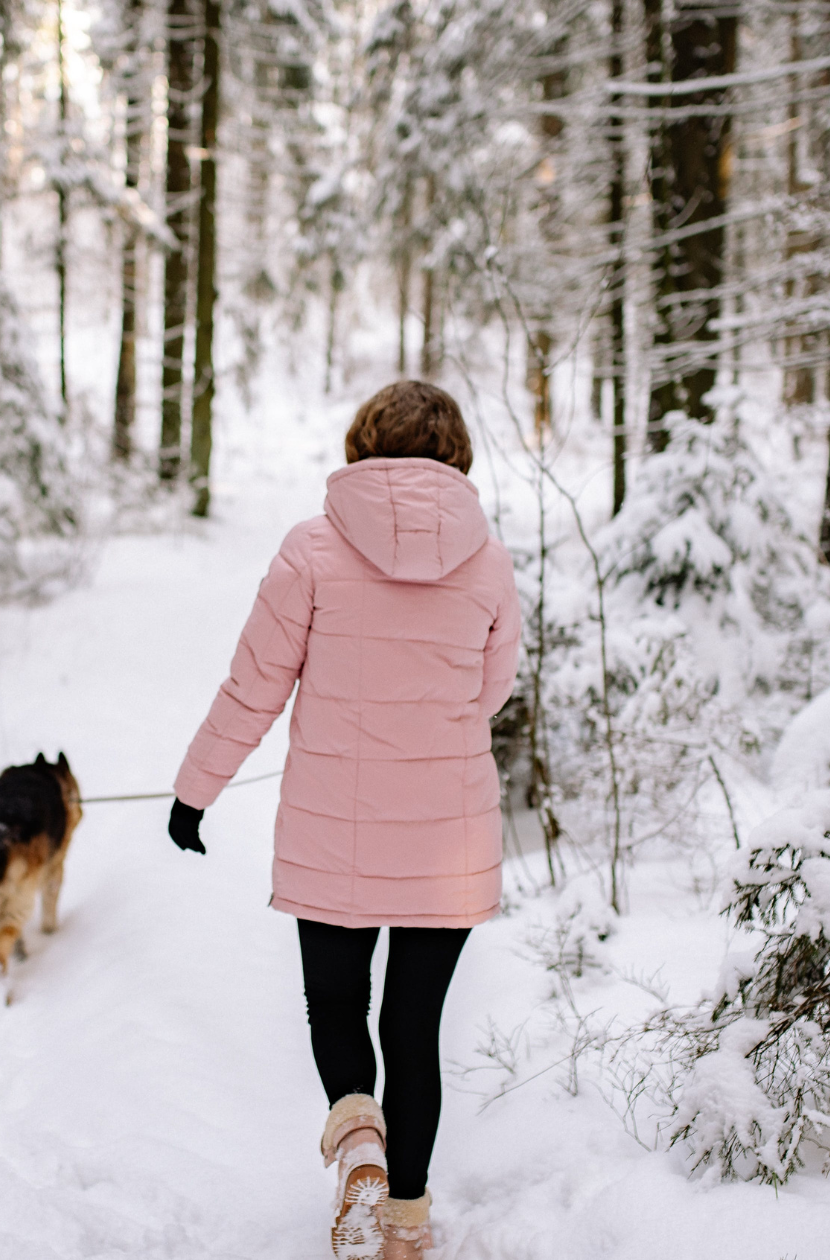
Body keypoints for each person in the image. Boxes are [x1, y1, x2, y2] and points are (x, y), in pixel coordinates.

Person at [167, 381, 519, 1260]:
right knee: (414, 1028)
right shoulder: (490, 561)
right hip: (450, 835)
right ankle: (405, 1227)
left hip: (336, 827)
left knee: (336, 1004)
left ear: (362, 444)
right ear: (458, 456)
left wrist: (196, 789)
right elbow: (491, 690)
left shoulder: (311, 549)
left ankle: (358, 1143)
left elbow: (255, 685)